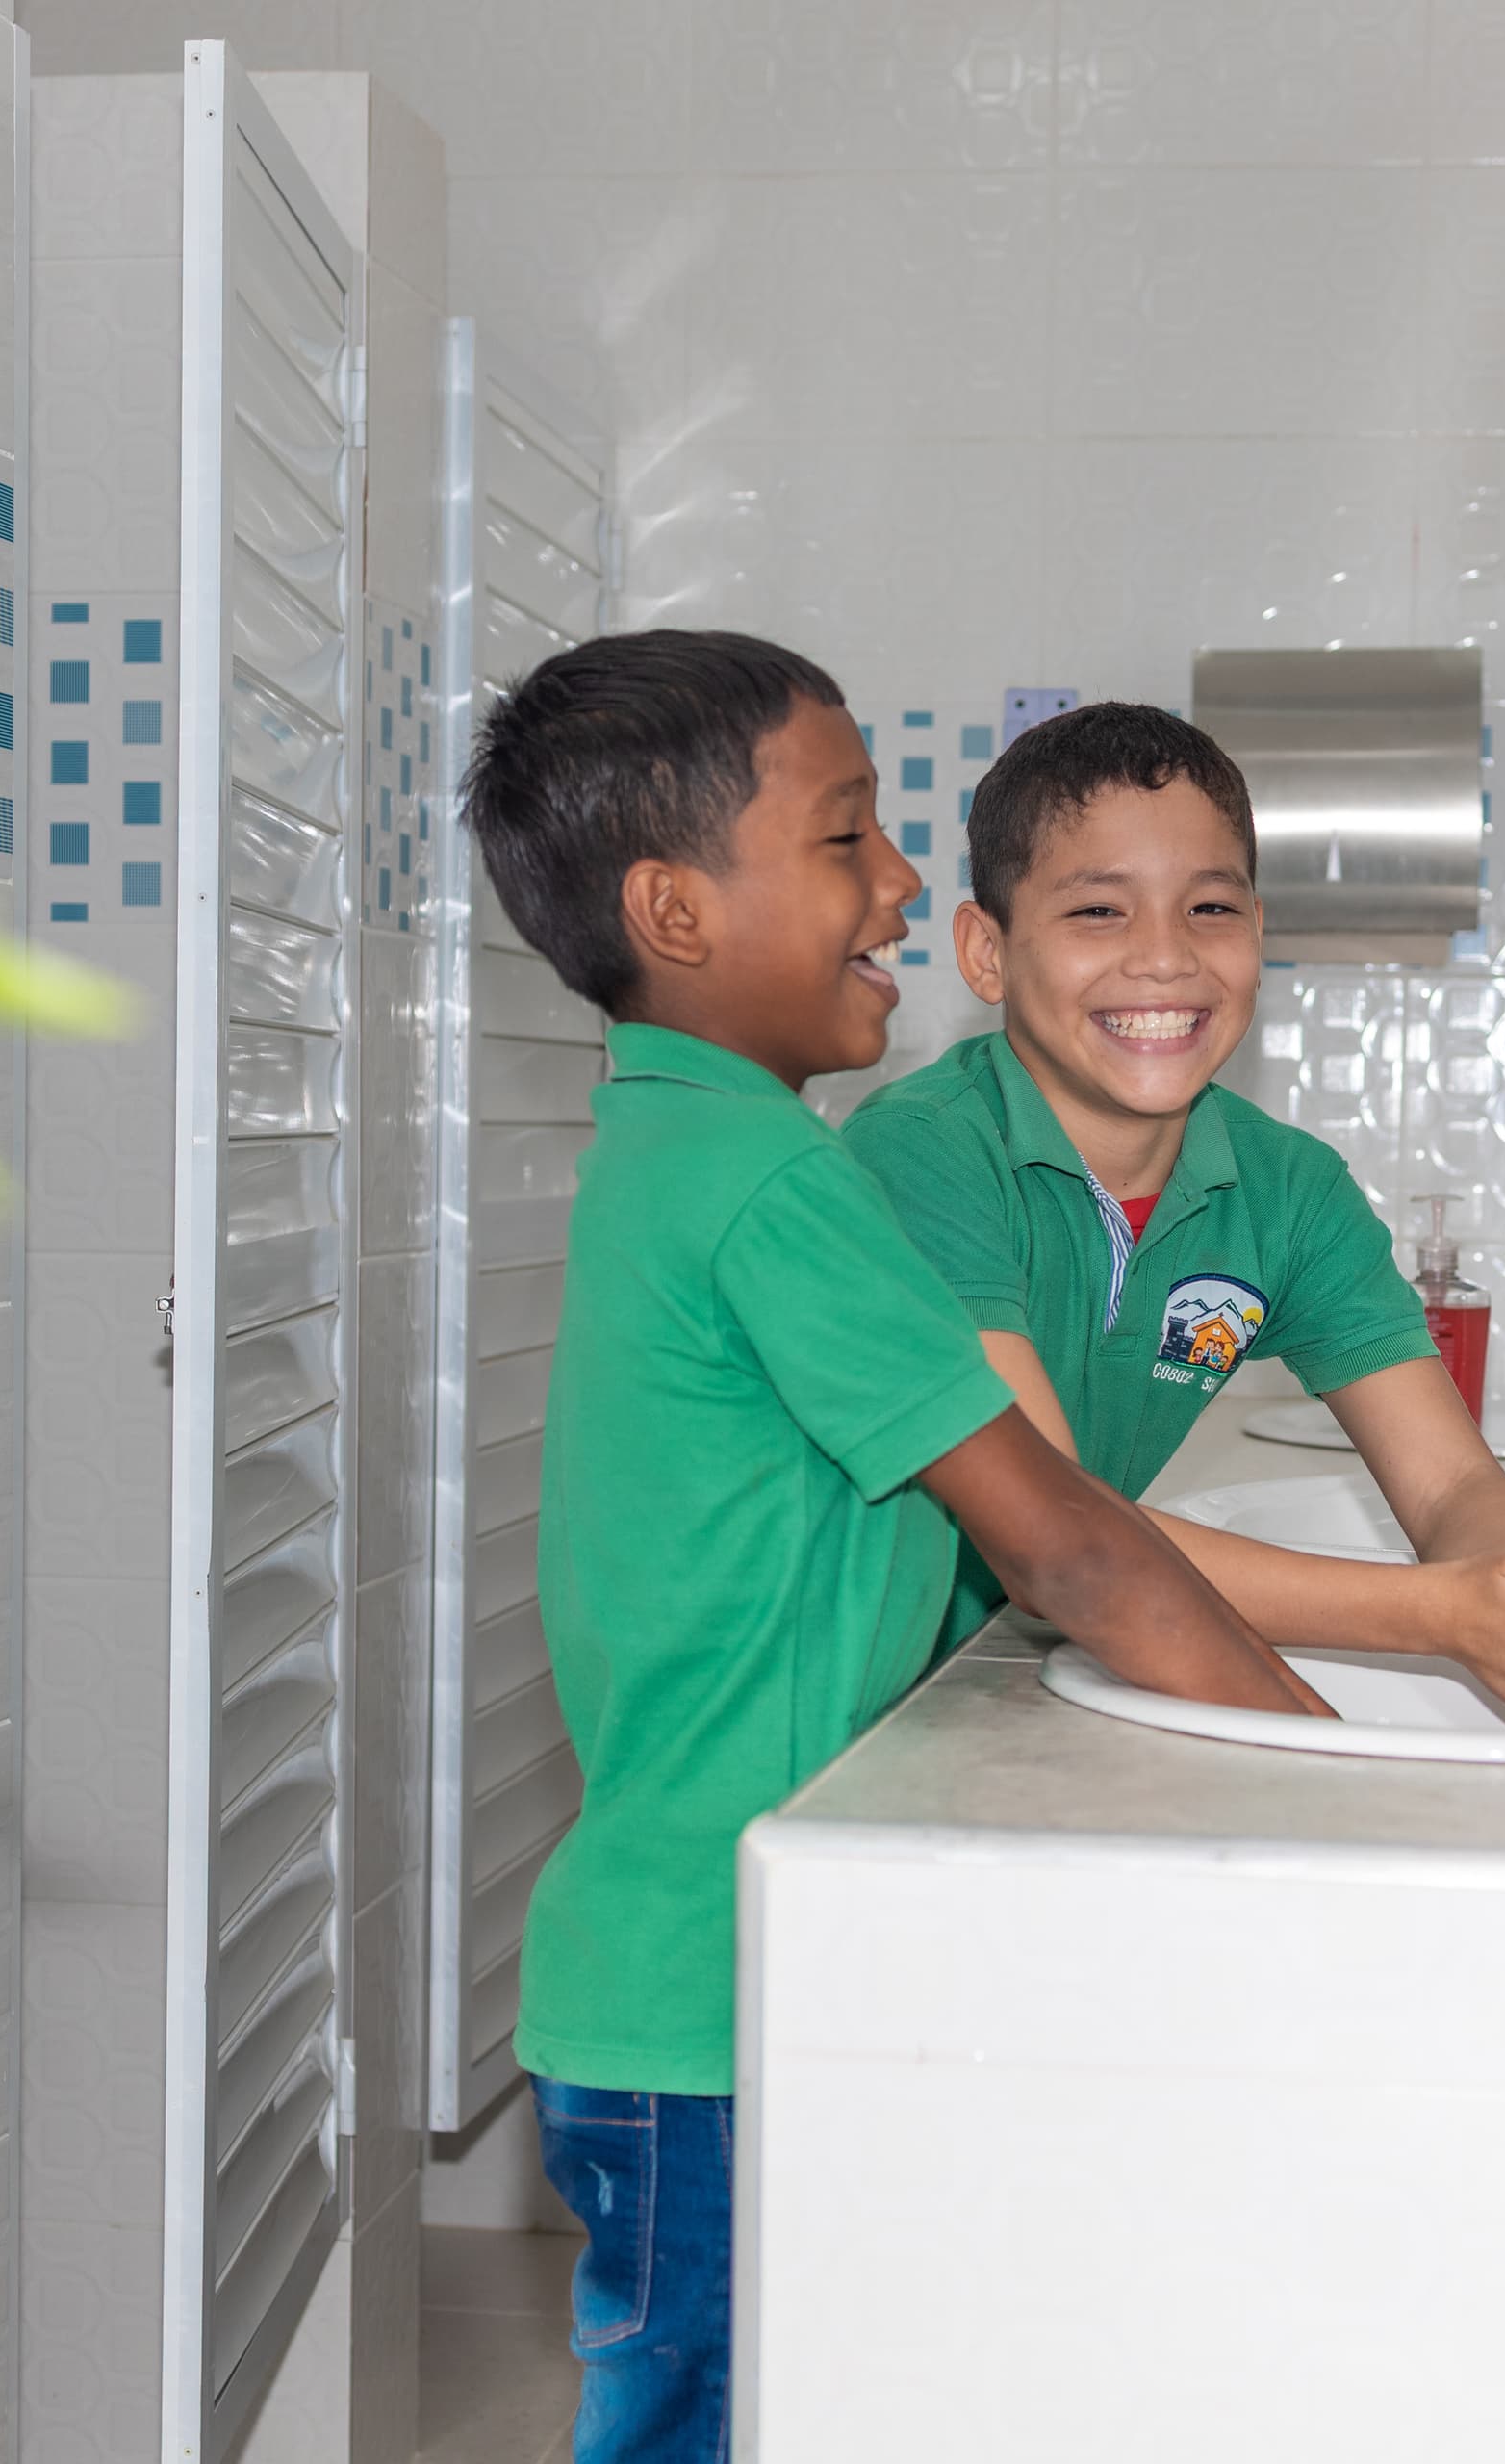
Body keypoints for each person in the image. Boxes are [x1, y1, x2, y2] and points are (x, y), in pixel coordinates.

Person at [462, 631, 1325, 2464]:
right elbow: (1067, 1548)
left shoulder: (686, 1144)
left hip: (693, 1965)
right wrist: (1331, 1787)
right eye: (847, 837)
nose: (904, 880)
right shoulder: (783, 1186)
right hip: (709, 1998)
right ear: (676, 912)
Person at [841, 700, 1505, 1731]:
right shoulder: (924, 1152)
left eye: (1211, 909)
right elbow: (1052, 1523)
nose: (1164, 957)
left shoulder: (1287, 1190)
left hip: (1024, 1683)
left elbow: (1454, 1484)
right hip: (852, 1709)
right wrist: (1436, 1613)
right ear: (986, 950)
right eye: (1099, 910)